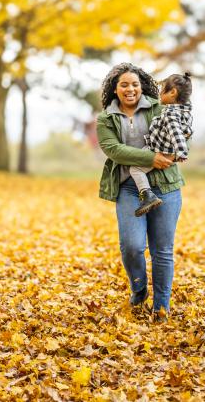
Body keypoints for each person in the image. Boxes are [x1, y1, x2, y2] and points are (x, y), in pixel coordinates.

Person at [97, 63, 185, 319]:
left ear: (142, 86)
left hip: (166, 187)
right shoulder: (106, 118)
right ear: (115, 88)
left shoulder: (159, 107)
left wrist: (169, 154)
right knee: (132, 246)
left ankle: (161, 306)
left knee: (162, 250)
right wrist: (151, 158)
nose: (130, 89)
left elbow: (180, 134)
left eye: (134, 84)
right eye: (124, 84)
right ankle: (138, 288)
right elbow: (114, 149)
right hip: (129, 188)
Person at [129, 72, 193, 216]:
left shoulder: (170, 114)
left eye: (162, 89)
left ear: (172, 92)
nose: (159, 93)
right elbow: (186, 130)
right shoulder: (185, 111)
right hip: (162, 146)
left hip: (161, 150)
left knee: (135, 169)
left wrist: (181, 152)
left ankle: (148, 195)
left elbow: (176, 133)